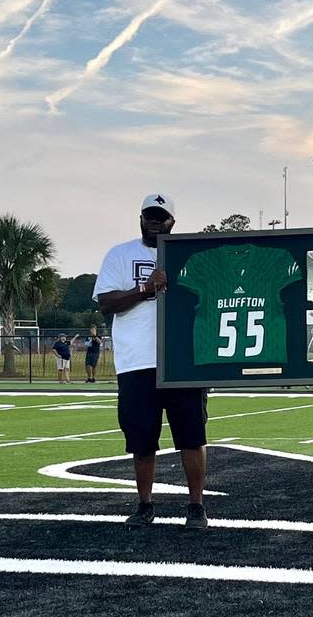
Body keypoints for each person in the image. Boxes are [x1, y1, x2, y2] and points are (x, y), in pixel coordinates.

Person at [94, 193, 209, 530]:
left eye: (161, 216)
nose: (155, 221)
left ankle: (196, 507)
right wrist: (144, 291)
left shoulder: (190, 257)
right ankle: (145, 505)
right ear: (140, 217)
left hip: (183, 362)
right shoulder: (120, 254)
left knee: (192, 437)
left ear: (173, 221)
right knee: (142, 440)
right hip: (136, 362)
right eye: (149, 215)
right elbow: (105, 302)